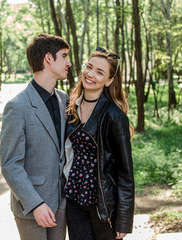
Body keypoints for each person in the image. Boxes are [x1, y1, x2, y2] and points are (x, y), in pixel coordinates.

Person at [0, 33, 72, 240]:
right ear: (48, 59)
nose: (68, 62)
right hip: (31, 206)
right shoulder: (17, 107)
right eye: (64, 56)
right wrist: (35, 204)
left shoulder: (63, 99)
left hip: (60, 202)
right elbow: (10, 164)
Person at [63, 47, 135, 240]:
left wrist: (124, 220)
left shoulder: (114, 116)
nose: (90, 74)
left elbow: (125, 172)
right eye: (89, 67)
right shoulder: (71, 108)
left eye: (99, 72)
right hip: (74, 198)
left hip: (102, 204)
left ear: (109, 81)